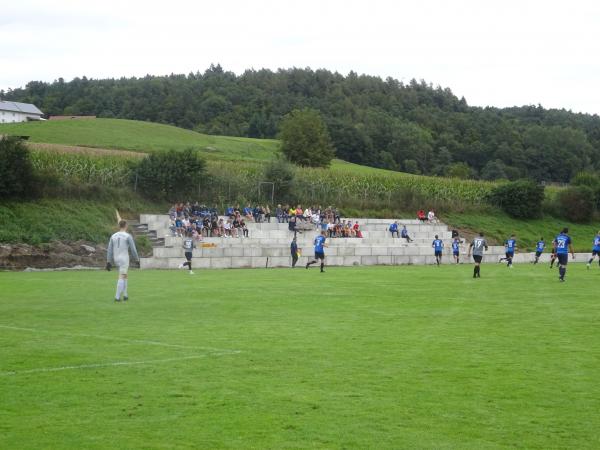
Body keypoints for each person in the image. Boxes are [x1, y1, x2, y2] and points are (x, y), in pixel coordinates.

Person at [106, 220, 140, 302]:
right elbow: (133, 249)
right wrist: (137, 260)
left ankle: (125, 295)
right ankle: (117, 297)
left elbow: (109, 250)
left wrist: (108, 261)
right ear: (126, 226)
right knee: (121, 276)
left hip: (116, 258)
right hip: (124, 258)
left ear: (119, 226)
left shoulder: (113, 236)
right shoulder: (127, 236)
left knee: (125, 275)